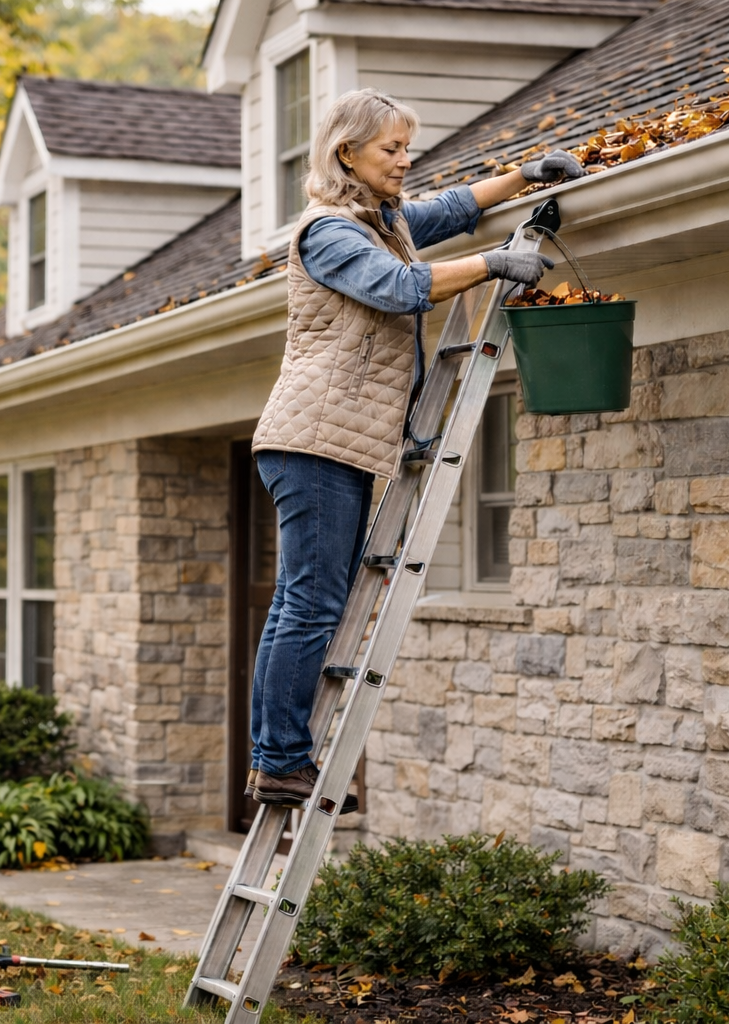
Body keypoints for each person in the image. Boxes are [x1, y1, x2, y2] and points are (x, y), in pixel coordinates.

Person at [248, 89, 584, 807]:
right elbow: (400, 289)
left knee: (307, 602)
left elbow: (456, 209)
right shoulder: (330, 233)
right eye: (389, 150)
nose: (404, 162)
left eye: (407, 149)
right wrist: (494, 266)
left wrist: (527, 176)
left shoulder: (383, 221)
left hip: (333, 441)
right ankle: (279, 758)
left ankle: (276, 752)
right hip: (315, 440)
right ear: (347, 154)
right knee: (310, 604)